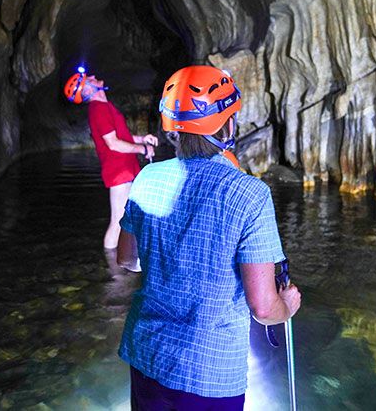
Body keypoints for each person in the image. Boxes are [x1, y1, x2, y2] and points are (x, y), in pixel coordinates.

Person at [116, 65, 301, 410]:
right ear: (228, 124)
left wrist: (166, 255)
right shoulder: (250, 194)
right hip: (209, 372)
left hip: (147, 356)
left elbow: (126, 259)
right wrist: (287, 306)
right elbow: (263, 307)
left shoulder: (146, 178)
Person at [64, 67, 158, 249]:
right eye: (88, 79)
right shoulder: (98, 109)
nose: (93, 76)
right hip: (118, 172)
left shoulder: (106, 106)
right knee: (117, 221)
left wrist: (142, 139)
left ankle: (127, 258)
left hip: (125, 169)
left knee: (130, 216)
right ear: (89, 90)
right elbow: (113, 144)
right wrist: (142, 149)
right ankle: (112, 271)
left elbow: (120, 137)